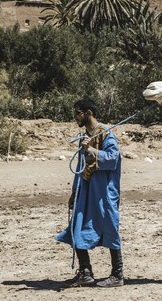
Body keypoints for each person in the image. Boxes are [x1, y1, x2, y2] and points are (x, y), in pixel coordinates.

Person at [56, 98, 124, 287]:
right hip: (85, 191)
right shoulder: (85, 137)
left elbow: (112, 159)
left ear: (88, 113)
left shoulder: (105, 134)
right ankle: (85, 272)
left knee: (110, 228)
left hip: (104, 192)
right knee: (77, 226)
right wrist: (74, 192)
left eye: (78, 113)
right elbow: (80, 167)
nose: (75, 117)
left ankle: (117, 275)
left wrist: (92, 149)